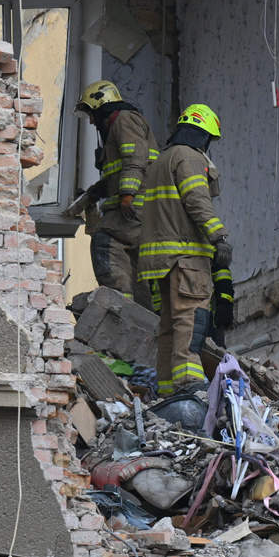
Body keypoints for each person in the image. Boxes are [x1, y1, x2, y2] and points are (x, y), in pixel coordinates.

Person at [138, 104, 232, 397]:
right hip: (186, 257)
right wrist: (218, 236)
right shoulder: (189, 157)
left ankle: (167, 390)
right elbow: (196, 198)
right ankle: (189, 384)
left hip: (161, 260)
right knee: (192, 320)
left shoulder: (161, 161)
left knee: (170, 325)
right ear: (203, 135)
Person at [67, 80, 159, 307]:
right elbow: (115, 175)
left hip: (133, 205)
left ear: (101, 107)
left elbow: (135, 159)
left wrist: (127, 193)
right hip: (140, 206)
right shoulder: (120, 126)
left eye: (91, 114)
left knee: (105, 241)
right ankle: (139, 313)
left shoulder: (125, 120)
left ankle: (118, 307)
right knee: (133, 267)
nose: (91, 121)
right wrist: (91, 195)